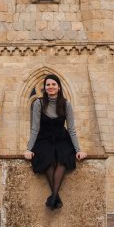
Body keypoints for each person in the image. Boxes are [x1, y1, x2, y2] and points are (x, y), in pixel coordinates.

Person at [23, 74, 87, 210]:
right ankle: (55, 198)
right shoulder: (38, 103)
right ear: (44, 88)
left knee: (64, 157)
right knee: (46, 158)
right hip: (44, 138)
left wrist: (78, 150)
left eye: (53, 84)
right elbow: (35, 128)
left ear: (58, 87)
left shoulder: (66, 104)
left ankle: (53, 198)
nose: (50, 87)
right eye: (48, 85)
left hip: (61, 138)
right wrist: (29, 149)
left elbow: (71, 129)